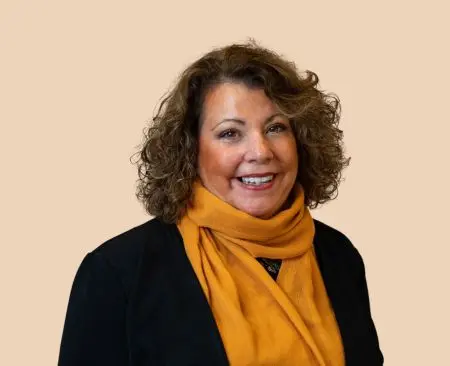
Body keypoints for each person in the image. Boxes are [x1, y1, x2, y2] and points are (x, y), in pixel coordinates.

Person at [58, 40, 383, 366]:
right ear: (190, 149)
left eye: (275, 128)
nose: (260, 151)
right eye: (230, 133)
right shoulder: (118, 274)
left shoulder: (338, 256)